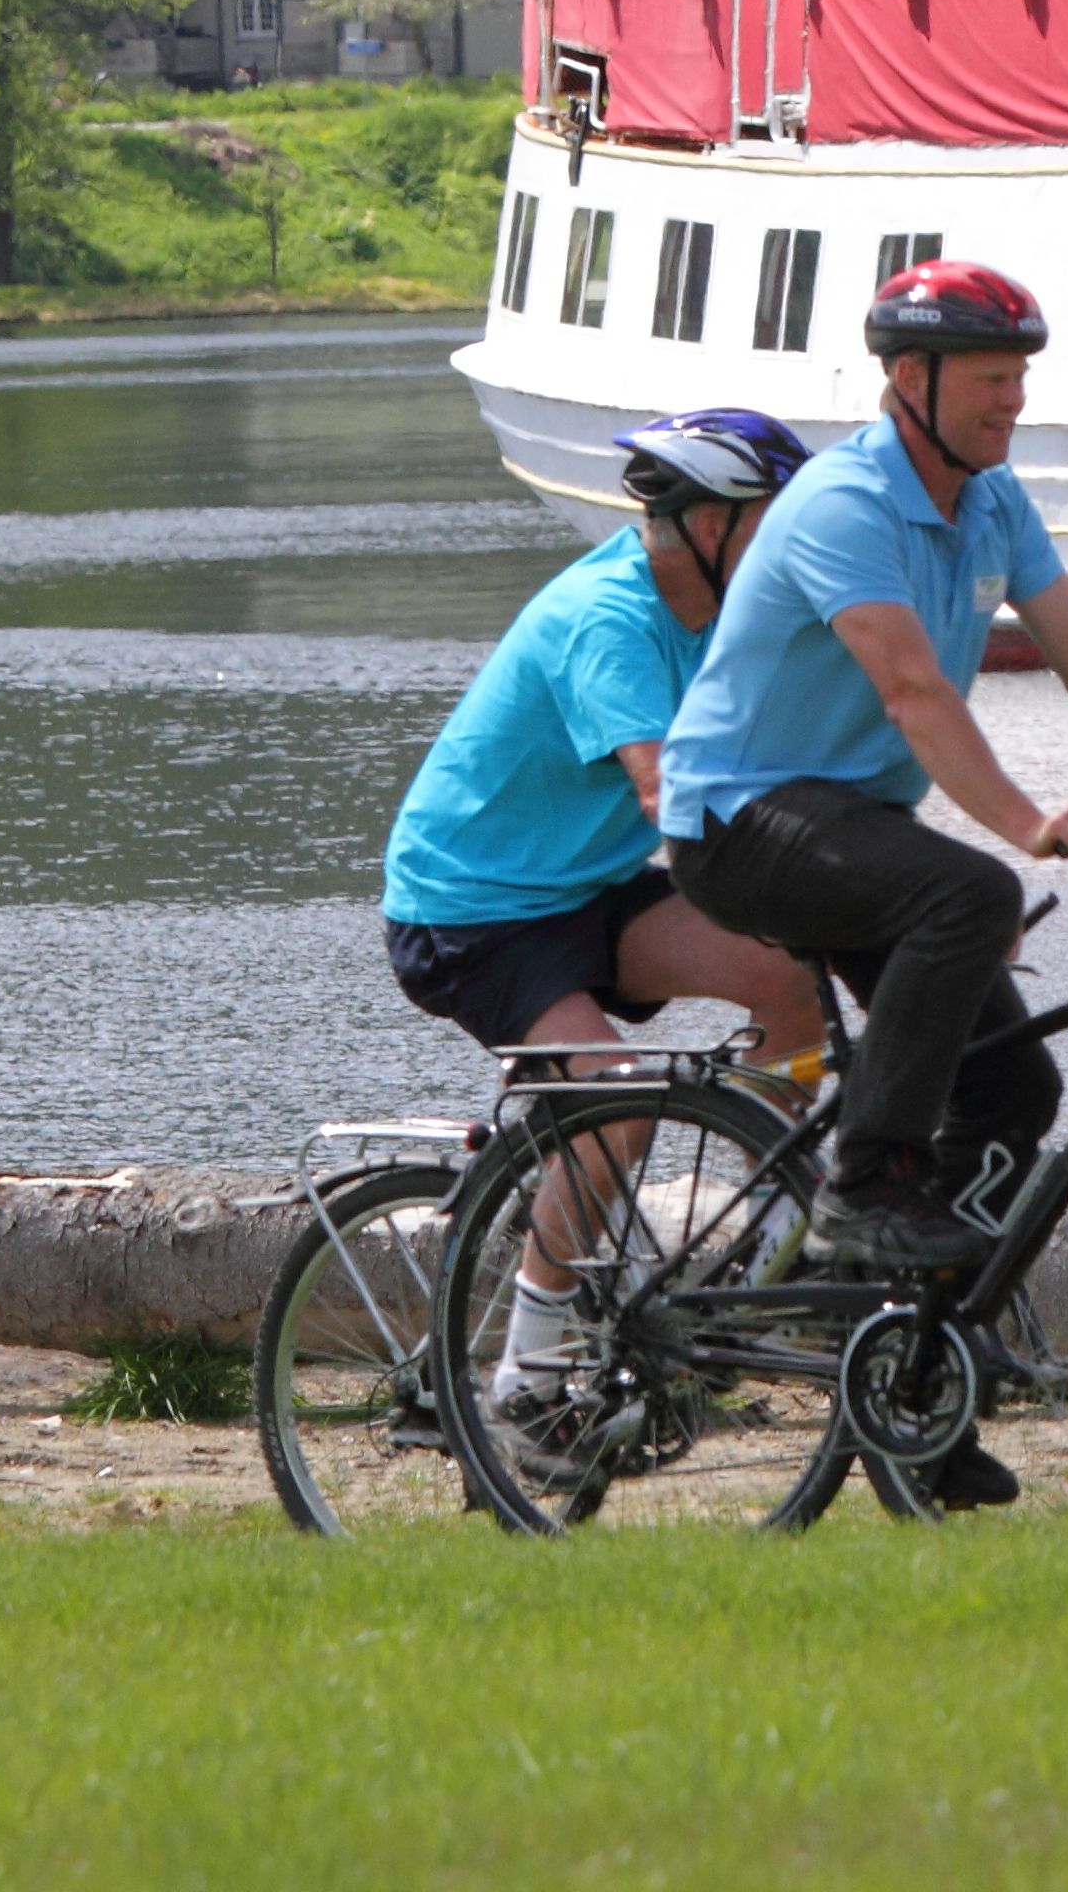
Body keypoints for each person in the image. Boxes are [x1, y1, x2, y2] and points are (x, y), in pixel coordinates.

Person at [658, 259, 1068, 1307]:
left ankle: (909, 1351)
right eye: (990, 376)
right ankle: (864, 1186)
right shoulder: (845, 504)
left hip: (849, 821)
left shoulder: (993, 505)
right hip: (737, 816)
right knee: (969, 893)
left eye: (1020, 376)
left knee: (1015, 1089)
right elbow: (914, 692)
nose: (1014, 398)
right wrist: (1029, 827)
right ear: (910, 377)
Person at [382, 408, 838, 1468]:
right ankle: (528, 1381)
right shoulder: (610, 619)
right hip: (471, 911)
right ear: (705, 526)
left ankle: (762, 1249)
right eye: (771, 523)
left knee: (793, 980)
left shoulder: (730, 610)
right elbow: (668, 795)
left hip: (583, 889)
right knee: (616, 1094)